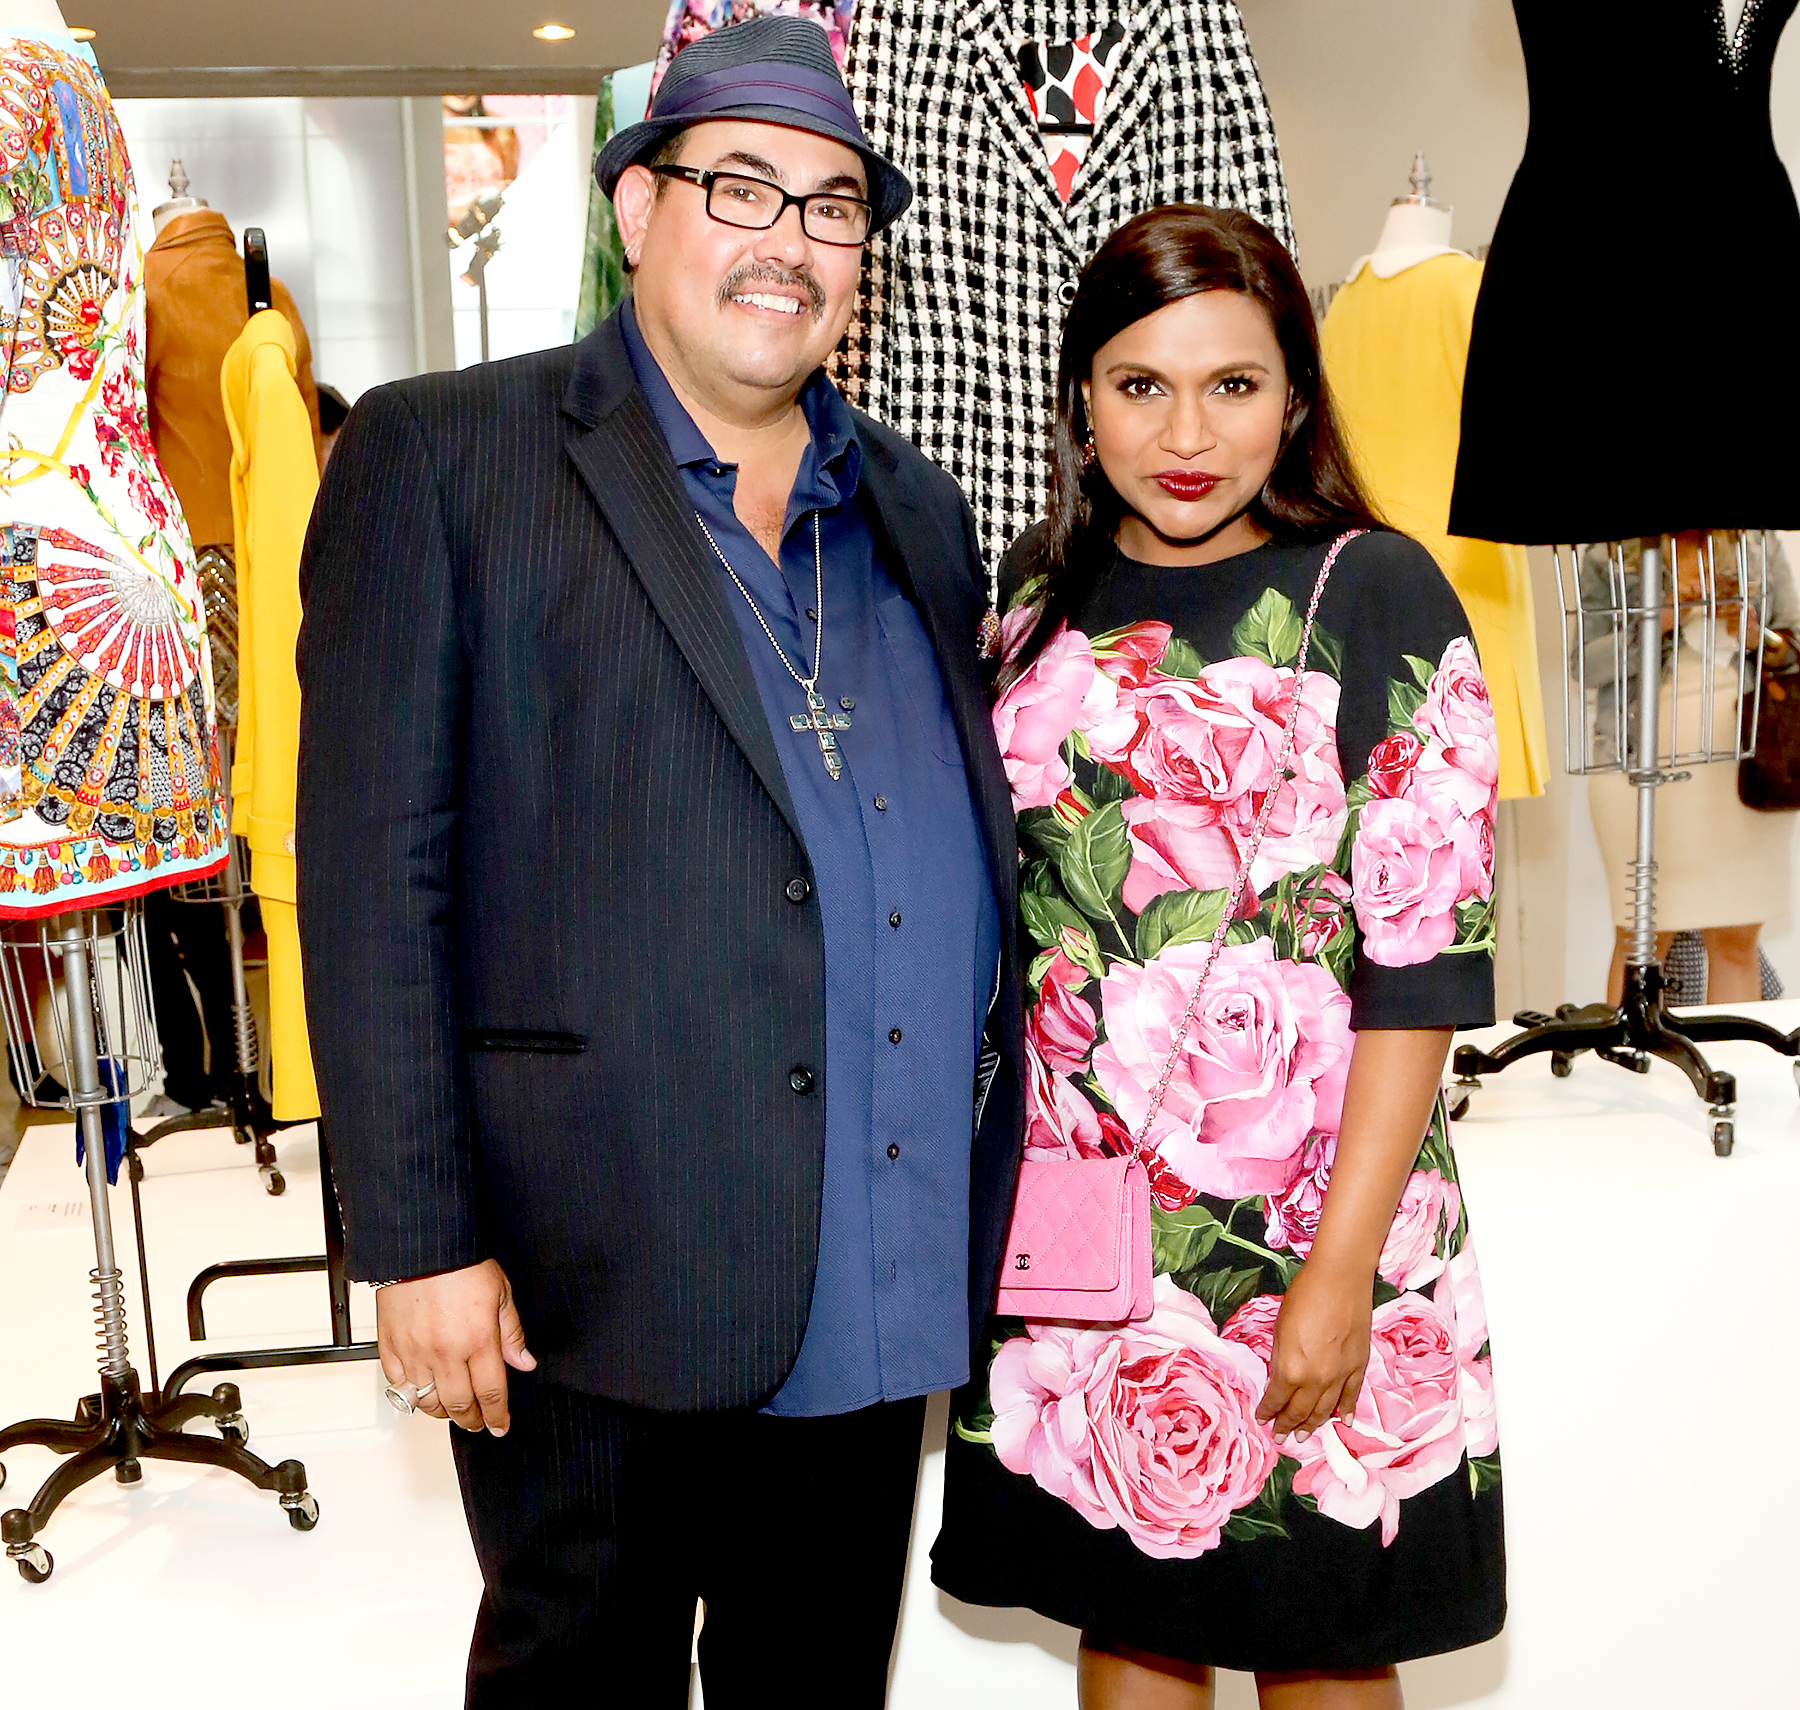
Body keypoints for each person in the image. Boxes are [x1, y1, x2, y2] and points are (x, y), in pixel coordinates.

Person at [295, 18, 1022, 1706]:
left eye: (833, 207)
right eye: (741, 187)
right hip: (589, 1267)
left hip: (871, 1249)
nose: (790, 241)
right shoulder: (445, 457)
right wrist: (416, 1239)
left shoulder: (915, 509)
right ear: (637, 208)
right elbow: (375, 876)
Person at [931, 205, 1505, 1707]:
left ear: (1295, 397)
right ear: (1081, 398)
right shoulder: (1033, 597)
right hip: (1082, 1230)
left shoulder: (1375, 591)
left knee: (1316, 1630)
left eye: (1233, 386)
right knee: (1129, 1612)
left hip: (1308, 1224)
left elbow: (1421, 977)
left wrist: (1338, 1277)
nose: (1187, 435)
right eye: (1142, 386)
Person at [1576, 532, 1800, 1005]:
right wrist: (1654, 623)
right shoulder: (1612, 554)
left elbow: (1792, 649)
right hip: (1636, 763)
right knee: (1641, 938)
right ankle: (1630, 1052)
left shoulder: (1757, 544)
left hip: (1745, 766)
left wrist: (1757, 637)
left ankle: (1734, 1056)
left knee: (1736, 940)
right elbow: (1583, 664)